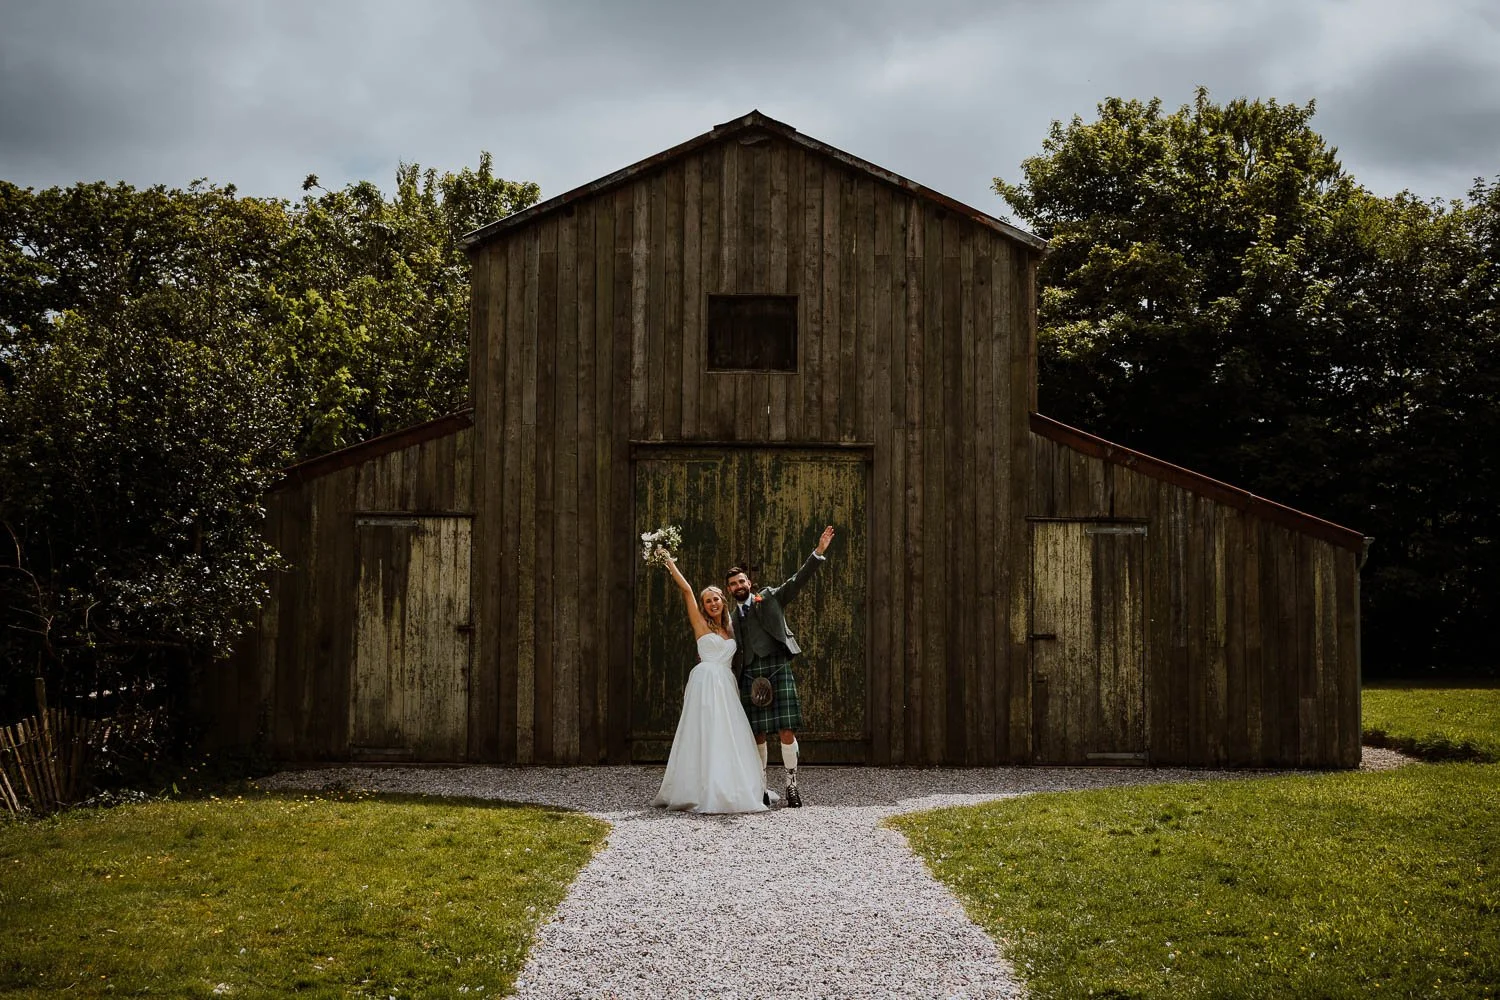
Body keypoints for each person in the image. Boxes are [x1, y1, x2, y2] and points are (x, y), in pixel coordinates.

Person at [650, 548, 769, 814]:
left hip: (726, 684)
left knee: (729, 733)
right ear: (703, 607)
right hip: (706, 682)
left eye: (716, 599)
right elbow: (687, 590)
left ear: (722, 602)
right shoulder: (701, 625)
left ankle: (734, 784)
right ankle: (701, 786)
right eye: (708, 601)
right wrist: (669, 562)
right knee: (706, 732)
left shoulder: (731, 628)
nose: (713, 603)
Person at [727, 524, 835, 808]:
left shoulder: (771, 597)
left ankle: (791, 786)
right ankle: (761, 788)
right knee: (758, 735)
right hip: (749, 675)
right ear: (729, 590)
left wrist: (819, 552)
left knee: (786, 731)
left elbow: (798, 580)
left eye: (742, 582)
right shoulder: (730, 618)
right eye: (733, 584)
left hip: (777, 669)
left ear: (749, 583)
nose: (739, 587)